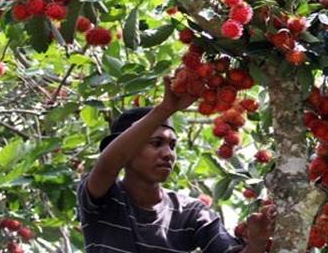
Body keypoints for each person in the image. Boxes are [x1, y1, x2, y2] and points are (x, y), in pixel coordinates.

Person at [77, 76, 275, 253]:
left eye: (172, 145)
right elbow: (107, 166)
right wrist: (165, 109)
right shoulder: (103, 197)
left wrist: (256, 243)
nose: (168, 154)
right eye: (156, 144)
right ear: (128, 151)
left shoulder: (191, 212)